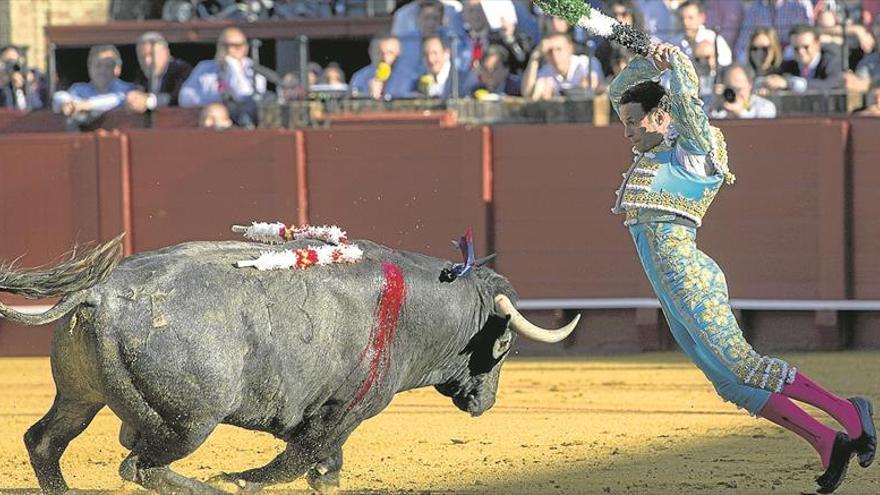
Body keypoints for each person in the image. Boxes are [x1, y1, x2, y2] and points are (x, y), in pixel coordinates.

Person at [608, 41, 875, 494]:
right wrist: (645, 61)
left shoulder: (693, 151)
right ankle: (826, 441)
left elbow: (689, 106)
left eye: (634, 122)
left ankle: (848, 411)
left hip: (689, 279)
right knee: (729, 383)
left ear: (660, 117)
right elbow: (620, 90)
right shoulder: (656, 151)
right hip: (668, 287)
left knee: (743, 365)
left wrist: (680, 64)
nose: (627, 132)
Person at [178, 26, 266, 126]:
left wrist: (234, 68)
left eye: (236, 46)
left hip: (240, 124)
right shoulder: (204, 67)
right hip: (208, 122)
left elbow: (244, 96)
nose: (230, 50)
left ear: (245, 48)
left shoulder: (254, 71)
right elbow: (184, 98)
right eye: (225, 46)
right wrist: (215, 102)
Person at [52, 44, 134, 122]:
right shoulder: (78, 90)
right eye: (98, 65)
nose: (102, 70)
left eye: (108, 65)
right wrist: (66, 103)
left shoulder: (129, 89)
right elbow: (58, 98)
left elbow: (117, 99)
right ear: (89, 68)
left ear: (117, 69)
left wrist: (86, 105)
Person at [125, 32, 193, 114]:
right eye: (142, 57)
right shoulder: (141, 74)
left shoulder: (182, 69)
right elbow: (137, 93)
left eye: (151, 55)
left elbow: (178, 97)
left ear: (166, 52)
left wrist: (148, 102)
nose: (147, 61)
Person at [521, 32, 603, 100]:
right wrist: (534, 58)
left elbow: (592, 85)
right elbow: (526, 93)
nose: (554, 55)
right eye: (550, 51)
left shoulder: (586, 63)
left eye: (559, 49)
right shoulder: (547, 70)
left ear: (570, 49)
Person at [762, 25, 843, 92]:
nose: (801, 52)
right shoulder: (788, 66)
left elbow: (831, 84)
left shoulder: (831, 61)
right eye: (796, 48)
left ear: (817, 45)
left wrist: (789, 83)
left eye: (806, 47)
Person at [670, 0, 733, 68]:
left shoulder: (714, 39)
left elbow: (726, 66)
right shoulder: (674, 43)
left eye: (690, 18)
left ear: (701, 18)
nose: (685, 23)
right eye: (682, 18)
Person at [349, 34, 412, 99]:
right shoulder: (361, 77)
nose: (385, 57)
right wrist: (370, 95)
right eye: (381, 53)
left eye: (390, 53)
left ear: (399, 53)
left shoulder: (409, 77)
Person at [710, 64, 777, 119]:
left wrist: (739, 112)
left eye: (739, 89)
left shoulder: (764, 106)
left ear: (750, 85)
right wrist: (715, 105)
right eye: (730, 89)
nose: (735, 94)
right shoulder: (720, 106)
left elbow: (761, 128)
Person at [0, 45, 48, 111]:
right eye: (7, 62)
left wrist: (27, 85)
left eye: (14, 61)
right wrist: (4, 84)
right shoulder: (2, 83)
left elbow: (37, 107)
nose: (11, 65)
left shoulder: (32, 76)